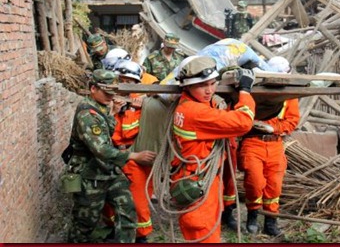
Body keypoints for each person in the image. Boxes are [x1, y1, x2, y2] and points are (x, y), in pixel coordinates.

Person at [170, 56, 256, 243]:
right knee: (204, 234)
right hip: (199, 184)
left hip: (199, 179)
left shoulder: (188, 104)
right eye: (202, 85)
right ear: (187, 87)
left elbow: (209, 106)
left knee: (208, 232)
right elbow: (243, 122)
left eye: (212, 83)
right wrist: (245, 92)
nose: (209, 90)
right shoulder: (196, 113)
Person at [66, 69, 156, 243]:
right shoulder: (87, 114)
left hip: (109, 171)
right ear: (93, 89)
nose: (110, 97)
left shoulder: (100, 107)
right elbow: (101, 149)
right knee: (85, 223)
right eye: (106, 93)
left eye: (112, 93)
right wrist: (134, 156)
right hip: (90, 175)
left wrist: (113, 111)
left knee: (127, 210)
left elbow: (107, 131)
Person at [238, 56, 300, 236]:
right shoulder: (255, 91)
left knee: (274, 186)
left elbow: (292, 121)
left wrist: (274, 128)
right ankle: (252, 215)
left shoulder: (290, 96)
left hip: (275, 144)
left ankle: (271, 221)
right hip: (253, 142)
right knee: (255, 183)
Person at [99, 60, 156, 243]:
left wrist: (131, 108)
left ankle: (141, 237)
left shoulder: (145, 105)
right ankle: (114, 229)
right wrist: (114, 110)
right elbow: (104, 133)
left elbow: (129, 132)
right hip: (114, 157)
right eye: (121, 79)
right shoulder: (108, 102)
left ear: (137, 84)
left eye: (129, 81)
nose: (125, 85)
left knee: (138, 201)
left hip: (135, 159)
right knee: (109, 200)